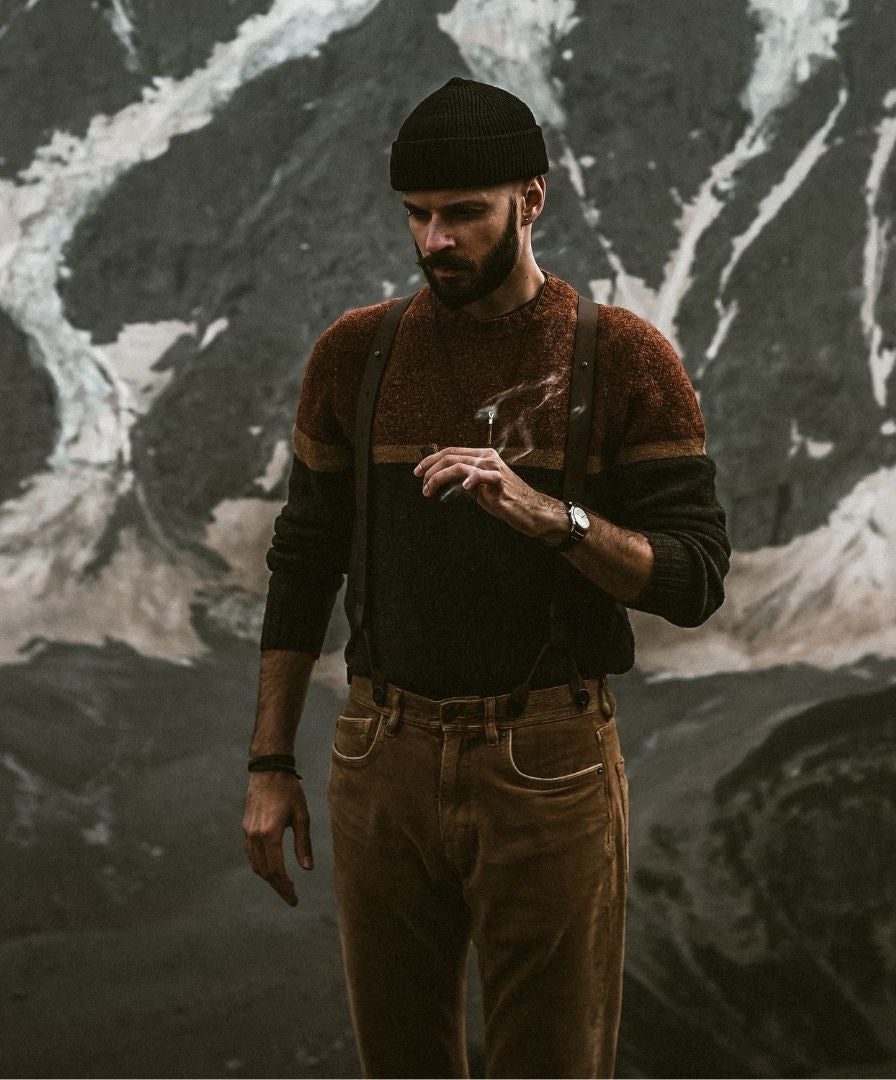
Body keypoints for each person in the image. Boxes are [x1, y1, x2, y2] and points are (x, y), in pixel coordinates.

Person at [240, 76, 730, 1078]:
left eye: (463, 213)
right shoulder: (355, 355)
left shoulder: (623, 357)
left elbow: (695, 576)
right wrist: (269, 762)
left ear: (532, 199)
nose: (435, 241)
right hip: (381, 753)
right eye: (417, 216)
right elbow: (303, 557)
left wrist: (554, 518)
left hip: (547, 758)